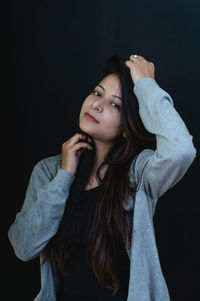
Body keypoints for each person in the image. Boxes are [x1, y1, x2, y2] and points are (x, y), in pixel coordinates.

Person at [8, 53, 197, 301]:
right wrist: (65, 175)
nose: (97, 104)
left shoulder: (139, 175)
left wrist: (146, 85)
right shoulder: (48, 172)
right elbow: (24, 247)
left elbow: (181, 149)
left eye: (115, 104)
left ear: (128, 128)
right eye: (98, 93)